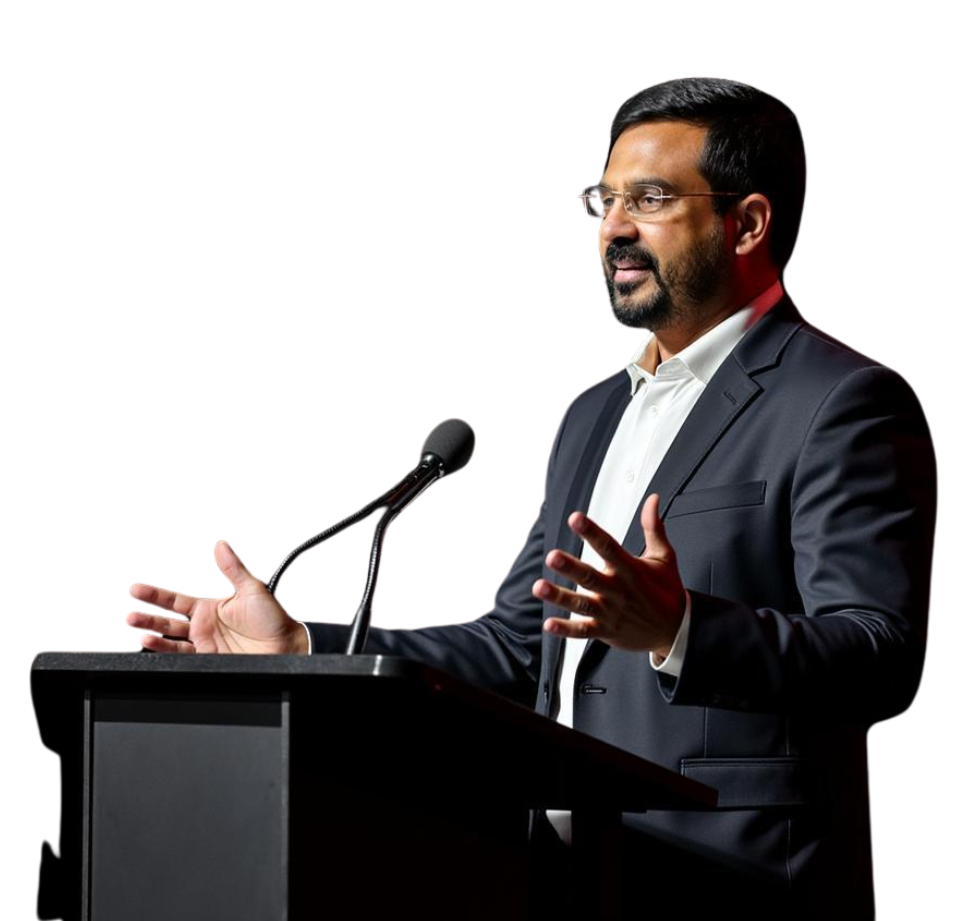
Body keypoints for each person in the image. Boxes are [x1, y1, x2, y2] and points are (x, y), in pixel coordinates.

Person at [126, 78, 936, 919]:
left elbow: (876, 654)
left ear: (748, 222)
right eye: (606, 199)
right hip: (562, 880)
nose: (613, 228)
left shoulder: (841, 402)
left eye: (650, 198)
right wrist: (304, 648)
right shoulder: (594, 414)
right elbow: (521, 646)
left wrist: (680, 629)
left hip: (737, 885)